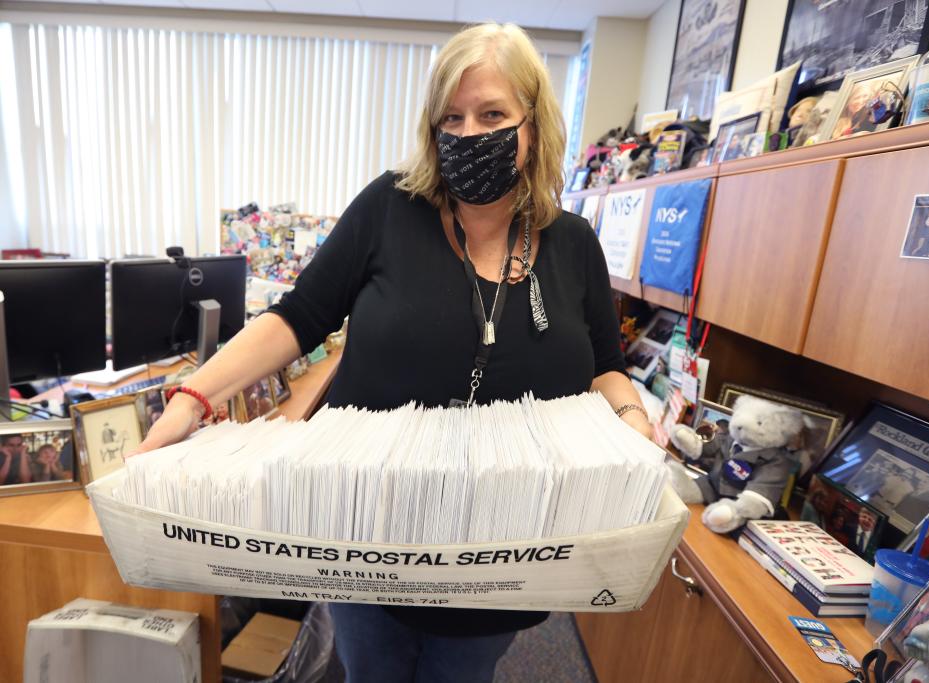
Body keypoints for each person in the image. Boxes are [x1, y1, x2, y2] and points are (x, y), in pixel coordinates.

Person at [132, 22, 652, 683]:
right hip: (367, 530)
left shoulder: (572, 242)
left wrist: (633, 420)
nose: (468, 133)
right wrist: (191, 397)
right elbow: (298, 317)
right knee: (369, 667)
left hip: (500, 546)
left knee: (462, 672)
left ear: (533, 124)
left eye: (492, 114)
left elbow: (606, 366)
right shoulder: (388, 208)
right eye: (450, 117)